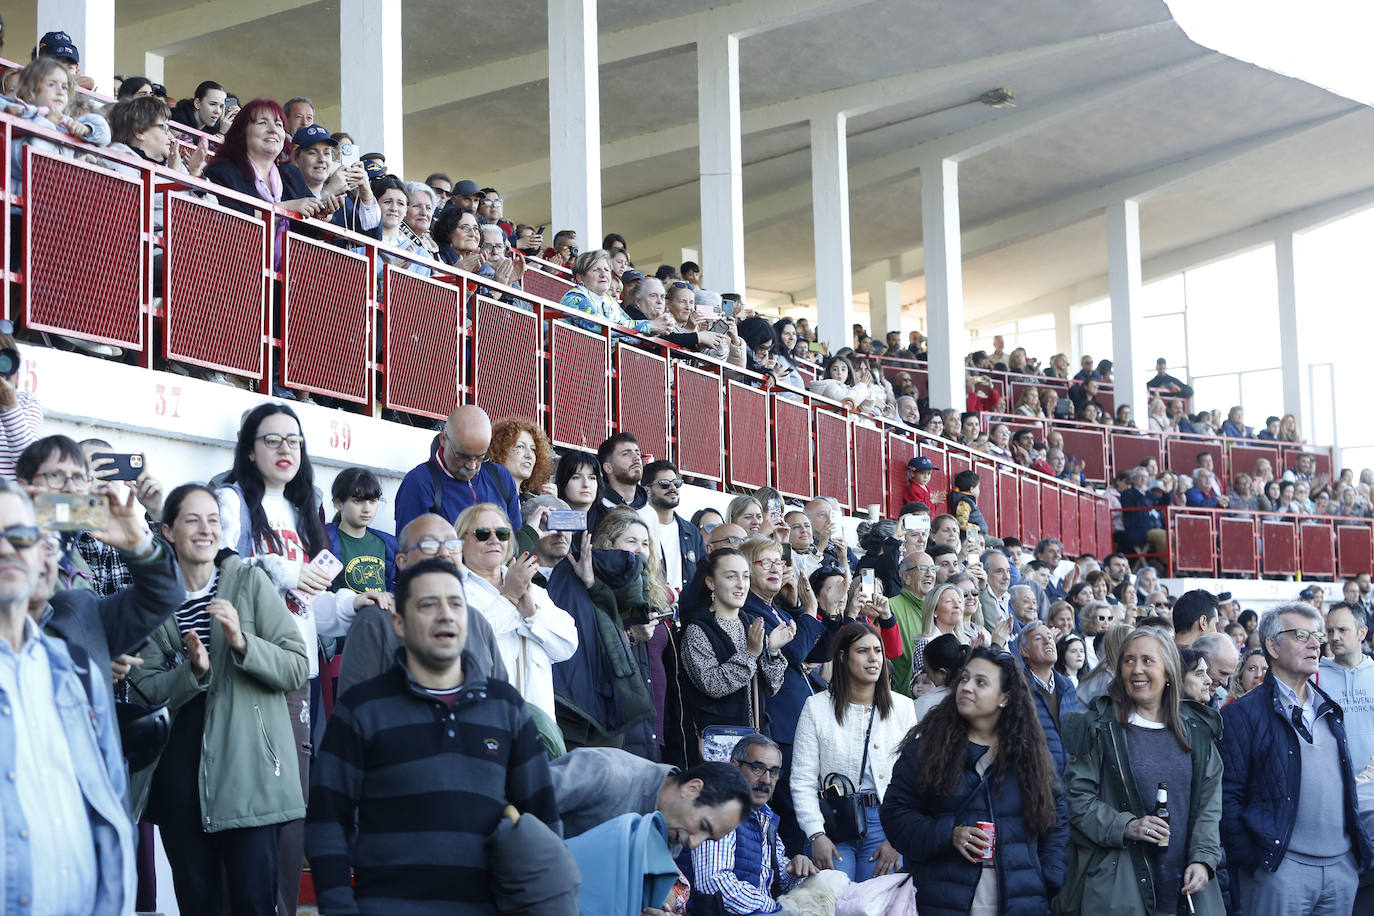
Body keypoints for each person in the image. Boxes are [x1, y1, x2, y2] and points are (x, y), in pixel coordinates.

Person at [306, 558, 562, 914]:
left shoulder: (506, 708)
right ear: (399, 622)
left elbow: (543, 821)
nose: (445, 614)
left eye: (455, 604)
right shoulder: (362, 710)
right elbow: (327, 822)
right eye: (428, 605)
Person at [128, 483, 309, 914]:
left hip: (250, 771)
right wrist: (192, 672)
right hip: (180, 776)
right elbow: (145, 687)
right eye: (193, 520)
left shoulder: (248, 580)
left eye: (213, 520)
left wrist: (243, 642)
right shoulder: (151, 596)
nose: (206, 529)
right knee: (198, 901)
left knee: (253, 901)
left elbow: (296, 665)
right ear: (168, 531)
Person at [215, 402, 345, 915]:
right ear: (250, 448)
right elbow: (220, 567)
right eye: (272, 440)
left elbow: (309, 608)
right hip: (252, 665)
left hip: (301, 672)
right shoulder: (232, 500)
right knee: (255, 805)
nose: (285, 449)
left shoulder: (305, 510)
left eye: (293, 440)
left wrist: (354, 605)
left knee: (295, 804)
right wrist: (280, 567)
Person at [881, 647, 1068, 915]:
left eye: (981, 682)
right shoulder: (926, 750)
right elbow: (895, 815)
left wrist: (1048, 877)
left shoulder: (1030, 756)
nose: (967, 687)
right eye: (965, 678)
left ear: (1005, 698)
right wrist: (949, 833)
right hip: (941, 901)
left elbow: (1056, 818)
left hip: (1020, 901)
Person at [1220, 604, 1373, 916]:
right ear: (1273, 646)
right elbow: (1227, 797)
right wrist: (1255, 863)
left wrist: (1350, 860)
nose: (1317, 642)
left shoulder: (1329, 708)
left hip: (1340, 869)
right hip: (1278, 873)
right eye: (1302, 635)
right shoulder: (1241, 714)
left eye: (1317, 635)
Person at [1060, 628, 1225, 915]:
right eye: (1129, 660)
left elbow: (1209, 807)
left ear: (1169, 672)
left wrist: (1203, 858)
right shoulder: (1099, 728)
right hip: (1120, 888)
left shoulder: (1197, 730)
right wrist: (1126, 826)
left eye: (1148, 660)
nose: (1137, 669)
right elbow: (1077, 801)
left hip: (1187, 890)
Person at [792, 621, 914, 881]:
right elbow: (802, 780)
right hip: (833, 822)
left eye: (878, 650)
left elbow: (917, 779)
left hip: (886, 824)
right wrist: (816, 834)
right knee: (833, 903)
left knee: (875, 905)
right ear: (843, 657)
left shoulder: (903, 707)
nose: (873, 658)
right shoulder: (816, 707)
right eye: (863, 651)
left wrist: (899, 839)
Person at [334, 513, 506, 697]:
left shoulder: (476, 621)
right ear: (402, 561)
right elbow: (354, 712)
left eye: (452, 545)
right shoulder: (376, 622)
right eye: (430, 546)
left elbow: (502, 702)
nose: (444, 553)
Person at [455, 502, 577, 727]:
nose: (494, 540)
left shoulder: (533, 589)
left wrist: (532, 616)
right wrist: (509, 597)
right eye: (482, 534)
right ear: (461, 542)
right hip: (483, 728)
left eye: (502, 534)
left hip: (538, 731)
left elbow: (568, 646)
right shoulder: (452, 591)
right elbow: (466, 647)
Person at [692, 735, 820, 914]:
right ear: (735, 766)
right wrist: (775, 908)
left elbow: (779, 882)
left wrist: (794, 869)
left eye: (773, 772)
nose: (767, 780)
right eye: (757, 768)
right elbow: (714, 884)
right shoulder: (718, 807)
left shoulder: (765, 817)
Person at [394, 404, 523, 532]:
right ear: (443, 439)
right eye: (463, 456)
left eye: (480, 457)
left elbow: (515, 541)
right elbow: (410, 548)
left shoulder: (501, 477)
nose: (472, 466)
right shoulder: (419, 483)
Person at [1320, 602, 1374, 777]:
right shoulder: (1313, 678)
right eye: (1330, 631)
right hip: (1332, 785)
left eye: (1343, 630)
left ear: (1362, 632)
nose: (1334, 637)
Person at [1019, 619, 1080, 774]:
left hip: (1071, 778)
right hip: (1037, 778)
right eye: (1039, 639)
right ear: (1024, 651)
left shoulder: (1067, 686)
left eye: (1050, 637)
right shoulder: (1018, 686)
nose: (1047, 641)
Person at [643, 459, 707, 594]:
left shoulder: (692, 532)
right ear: (647, 490)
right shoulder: (638, 528)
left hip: (686, 611)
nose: (673, 488)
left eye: (676, 483)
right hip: (651, 610)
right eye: (665, 484)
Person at [489, 416, 556, 499]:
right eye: (520, 446)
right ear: (499, 450)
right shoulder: (486, 497)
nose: (529, 455)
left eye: (533, 449)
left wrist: (550, 502)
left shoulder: (530, 502)